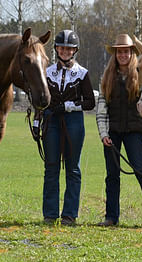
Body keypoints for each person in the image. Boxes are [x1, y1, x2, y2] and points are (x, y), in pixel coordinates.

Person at [96, 33, 142, 230]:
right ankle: (111, 217)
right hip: (113, 132)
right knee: (112, 175)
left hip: (134, 131)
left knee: (141, 172)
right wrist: (103, 134)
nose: (123, 55)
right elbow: (102, 108)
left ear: (131, 53)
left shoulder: (141, 74)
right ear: (115, 54)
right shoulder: (107, 76)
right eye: (119, 52)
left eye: (126, 51)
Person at [40, 30, 95, 225]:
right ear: (56, 49)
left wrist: (69, 105)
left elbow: (90, 103)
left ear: (75, 50)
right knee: (51, 166)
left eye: (68, 48)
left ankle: (70, 214)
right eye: (62, 48)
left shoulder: (82, 74)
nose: (65, 51)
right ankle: (50, 213)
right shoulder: (47, 72)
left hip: (73, 121)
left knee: (73, 168)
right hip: (52, 120)